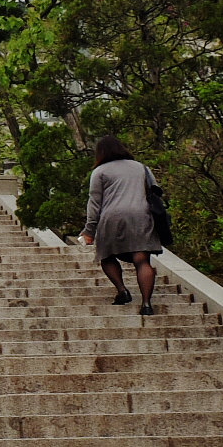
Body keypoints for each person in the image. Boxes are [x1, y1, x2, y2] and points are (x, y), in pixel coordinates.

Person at [81, 134, 163, 315]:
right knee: (142, 260)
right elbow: (155, 191)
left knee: (106, 256)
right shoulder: (141, 168)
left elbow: (94, 202)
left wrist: (89, 230)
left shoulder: (100, 171)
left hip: (112, 218)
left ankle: (122, 291)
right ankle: (147, 304)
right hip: (141, 216)